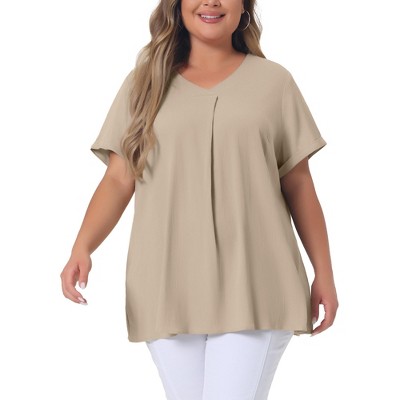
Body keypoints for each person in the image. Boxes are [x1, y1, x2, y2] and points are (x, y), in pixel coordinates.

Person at [60, 0, 339, 398]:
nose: (210, 1)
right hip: (166, 284)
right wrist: (82, 247)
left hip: (255, 282)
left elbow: (298, 184)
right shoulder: (144, 84)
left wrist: (323, 272)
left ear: (244, 7)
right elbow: (119, 179)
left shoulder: (275, 83)